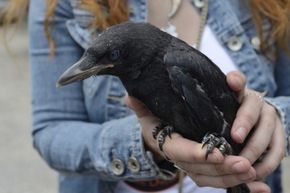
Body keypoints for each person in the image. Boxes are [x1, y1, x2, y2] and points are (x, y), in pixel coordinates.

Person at [3, 0, 290, 193]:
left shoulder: (177, 61)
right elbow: (51, 130)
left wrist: (275, 116)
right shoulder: (62, 5)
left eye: (111, 57)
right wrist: (145, 144)